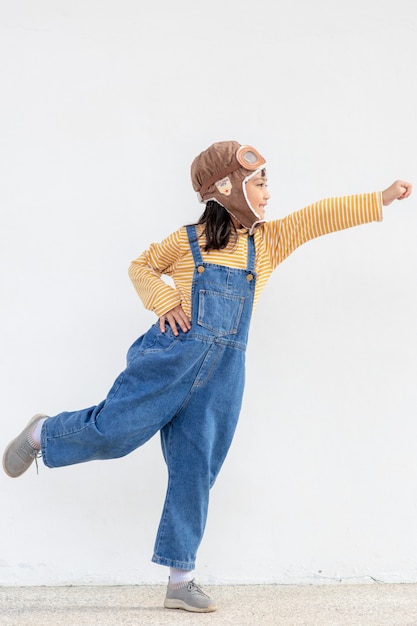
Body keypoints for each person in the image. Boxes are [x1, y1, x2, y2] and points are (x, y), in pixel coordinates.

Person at [2, 140, 412, 613]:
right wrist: (166, 302)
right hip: (169, 362)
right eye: (260, 183)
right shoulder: (186, 241)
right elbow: (141, 267)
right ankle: (43, 433)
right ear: (227, 187)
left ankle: (181, 579)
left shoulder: (267, 243)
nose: (268, 193)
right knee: (114, 434)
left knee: (196, 470)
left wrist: (378, 199)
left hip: (221, 377)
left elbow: (318, 216)